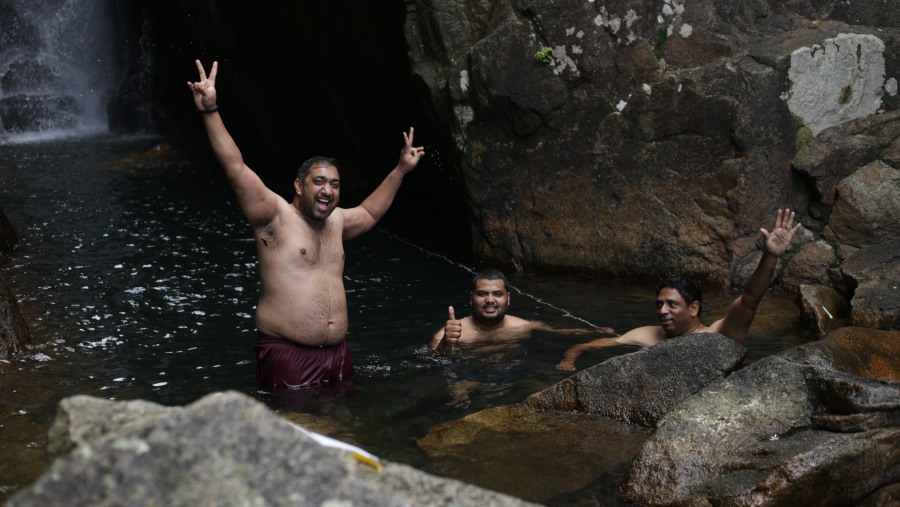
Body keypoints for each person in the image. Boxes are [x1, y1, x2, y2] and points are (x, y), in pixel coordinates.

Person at [187, 60, 425, 390]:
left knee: (344, 429)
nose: (328, 190)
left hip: (337, 354)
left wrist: (400, 170)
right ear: (300, 186)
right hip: (287, 353)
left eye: (335, 184)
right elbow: (236, 167)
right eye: (319, 181)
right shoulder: (274, 216)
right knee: (295, 431)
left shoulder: (338, 221)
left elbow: (370, 213)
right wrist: (210, 111)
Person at [556, 209, 802, 371]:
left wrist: (770, 256)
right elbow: (594, 344)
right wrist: (569, 359)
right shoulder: (648, 335)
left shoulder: (718, 335)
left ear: (693, 308)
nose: (662, 311)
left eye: (672, 304)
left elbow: (750, 300)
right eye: (659, 304)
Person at [430, 268, 613, 352]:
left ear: (508, 298)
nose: (490, 300)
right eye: (482, 293)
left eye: (497, 294)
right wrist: (446, 344)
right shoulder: (451, 333)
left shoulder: (524, 325)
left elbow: (558, 333)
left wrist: (593, 332)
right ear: (472, 298)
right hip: (470, 374)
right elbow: (432, 361)